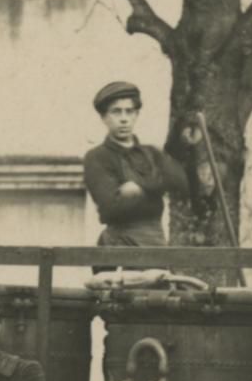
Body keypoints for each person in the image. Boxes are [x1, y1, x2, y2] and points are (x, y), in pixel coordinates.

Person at [82, 81, 191, 258]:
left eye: (129, 111)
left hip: (156, 241)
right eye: (116, 111)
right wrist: (157, 185)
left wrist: (136, 188)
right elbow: (111, 207)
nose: (124, 118)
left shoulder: (152, 153)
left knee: (172, 283)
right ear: (104, 117)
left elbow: (181, 183)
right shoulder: (97, 157)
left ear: (136, 115)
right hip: (119, 246)